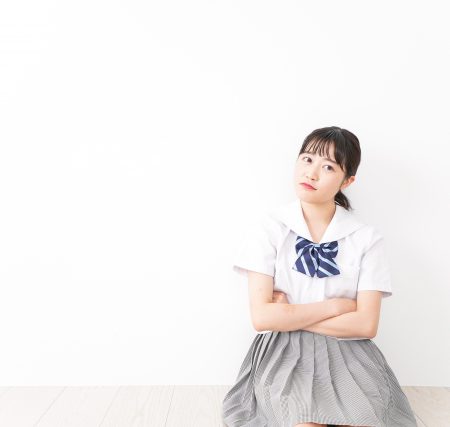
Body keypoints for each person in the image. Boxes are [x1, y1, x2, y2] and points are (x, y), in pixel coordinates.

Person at [222, 126, 417, 427]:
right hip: (282, 350)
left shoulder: (365, 238)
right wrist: (336, 306)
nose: (311, 173)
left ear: (347, 180)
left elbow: (366, 325)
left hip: (351, 352)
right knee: (303, 422)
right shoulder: (270, 229)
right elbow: (262, 318)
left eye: (328, 167)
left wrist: (288, 314)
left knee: (362, 420)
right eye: (307, 159)